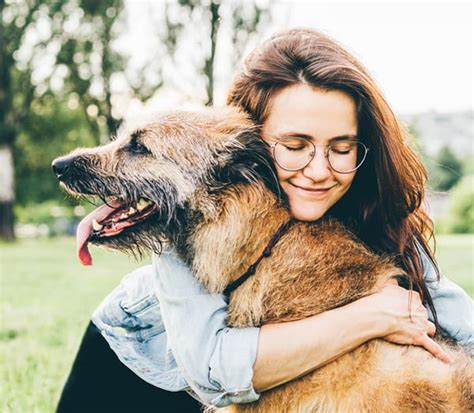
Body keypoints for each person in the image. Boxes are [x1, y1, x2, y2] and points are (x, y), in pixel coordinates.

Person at [56, 28, 473, 412]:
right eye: (295, 144)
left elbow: (460, 322)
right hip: (141, 358)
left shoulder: (370, 207)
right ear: (252, 143)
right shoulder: (192, 213)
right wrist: (371, 315)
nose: (318, 170)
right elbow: (213, 371)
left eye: (341, 148)